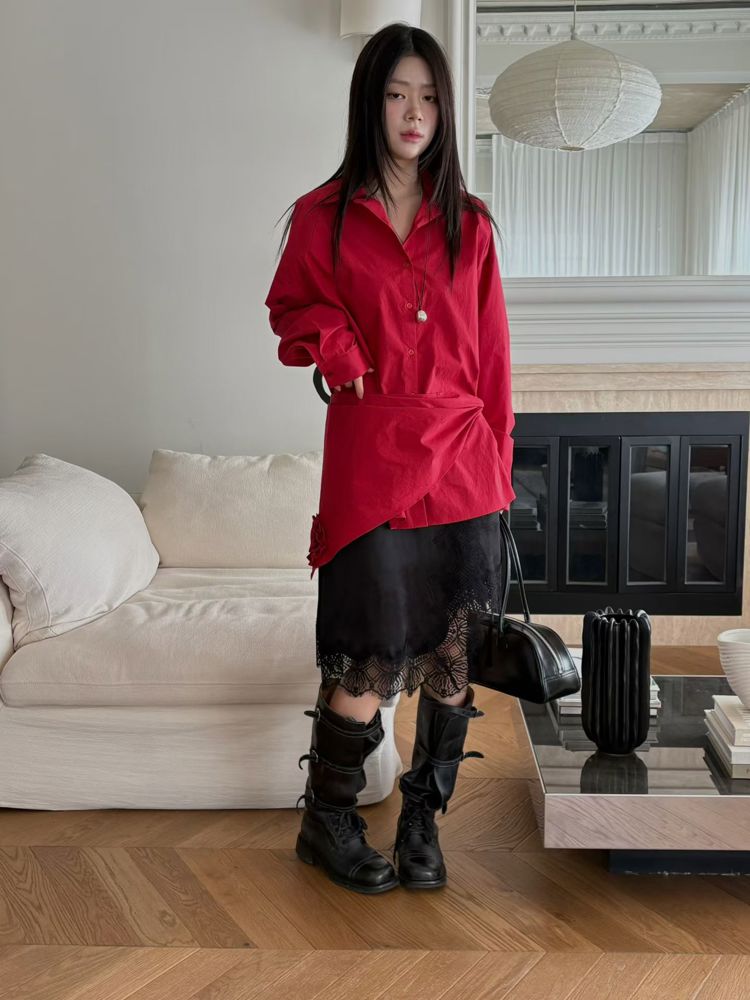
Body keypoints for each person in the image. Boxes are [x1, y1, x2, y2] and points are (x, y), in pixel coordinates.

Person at [264, 22, 516, 895]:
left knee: (453, 660)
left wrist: (501, 468)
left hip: (464, 467)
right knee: (365, 658)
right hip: (371, 468)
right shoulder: (323, 217)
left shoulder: (471, 225)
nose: (415, 114)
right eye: (398, 95)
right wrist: (335, 343)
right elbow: (291, 306)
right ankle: (326, 823)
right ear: (370, 104)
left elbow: (493, 360)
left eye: (430, 98)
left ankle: (421, 825)